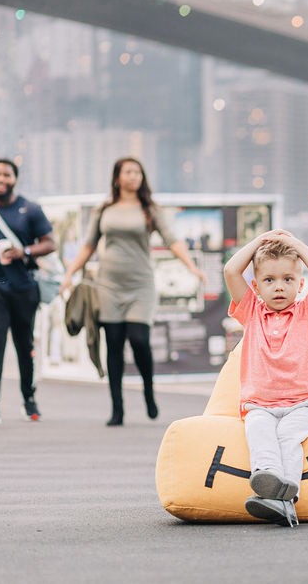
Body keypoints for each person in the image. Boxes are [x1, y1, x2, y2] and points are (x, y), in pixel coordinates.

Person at [60, 157, 206, 426]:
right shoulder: (104, 209)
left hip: (140, 285)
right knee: (113, 344)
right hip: (108, 286)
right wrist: (69, 275)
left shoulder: (149, 209)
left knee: (139, 340)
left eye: (138, 171)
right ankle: (117, 409)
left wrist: (192, 268)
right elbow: (88, 246)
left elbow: (172, 240)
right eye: (128, 171)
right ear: (117, 177)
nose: (134, 176)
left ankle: (148, 393)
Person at [223, 229, 308, 528]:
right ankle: (271, 487)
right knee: (259, 431)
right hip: (260, 403)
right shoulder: (252, 312)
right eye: (269, 281)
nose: (279, 287)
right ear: (256, 286)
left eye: (287, 279)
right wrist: (259, 242)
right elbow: (231, 270)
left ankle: (284, 499)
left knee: (287, 436)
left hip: (306, 404)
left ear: (300, 284)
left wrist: (297, 244)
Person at [0, 159, 57, 424]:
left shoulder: (31, 210)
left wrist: (24, 251)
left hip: (24, 288)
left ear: (15, 178)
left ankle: (28, 398)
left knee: (24, 344)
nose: (0, 179)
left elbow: (50, 243)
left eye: (6, 174)